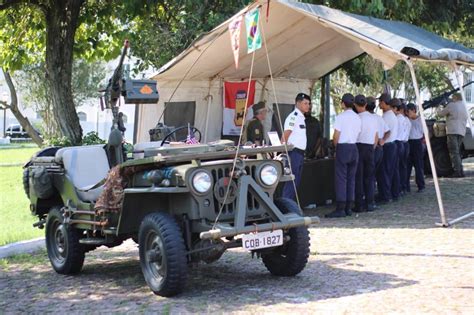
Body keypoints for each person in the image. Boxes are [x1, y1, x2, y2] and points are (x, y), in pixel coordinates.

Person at [326, 93, 361, 218]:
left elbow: (336, 136)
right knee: (351, 178)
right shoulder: (357, 117)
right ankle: (349, 207)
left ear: (343, 103)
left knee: (341, 178)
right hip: (354, 147)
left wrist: (336, 146)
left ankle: (340, 207)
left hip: (343, 147)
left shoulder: (341, 117)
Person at [281, 93, 311, 200]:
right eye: (305, 103)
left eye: (309, 103)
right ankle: (286, 206)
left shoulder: (301, 117)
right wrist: (282, 151)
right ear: (298, 103)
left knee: (296, 181)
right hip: (293, 152)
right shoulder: (293, 117)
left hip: (300, 153)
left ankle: (290, 206)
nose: (308, 106)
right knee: (291, 181)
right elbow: (286, 134)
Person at [353, 94, 379, 212]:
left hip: (359, 146)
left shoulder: (357, 118)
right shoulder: (373, 118)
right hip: (370, 147)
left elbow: (355, 134)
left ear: (355, 104)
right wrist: (373, 147)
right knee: (369, 176)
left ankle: (359, 204)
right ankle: (370, 202)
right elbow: (376, 135)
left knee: (359, 177)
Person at [437, 93, 468, 177]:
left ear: (455, 98)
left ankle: (457, 171)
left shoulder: (452, 105)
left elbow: (440, 114)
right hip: (461, 132)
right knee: (457, 152)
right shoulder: (464, 107)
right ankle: (460, 170)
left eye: (452, 97)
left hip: (452, 131)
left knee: (454, 152)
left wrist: (439, 106)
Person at [367, 97, 389, 205]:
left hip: (371, 148)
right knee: (380, 173)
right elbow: (388, 131)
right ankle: (383, 195)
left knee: (370, 174)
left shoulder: (365, 118)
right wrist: (383, 140)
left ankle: (370, 199)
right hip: (380, 148)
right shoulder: (379, 118)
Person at [377, 93, 398, 203]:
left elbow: (385, 132)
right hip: (392, 145)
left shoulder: (387, 117)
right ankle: (389, 193)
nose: (379, 105)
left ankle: (385, 196)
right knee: (390, 171)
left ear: (384, 103)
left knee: (384, 171)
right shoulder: (391, 115)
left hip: (387, 145)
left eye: (380, 103)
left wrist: (382, 140)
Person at [406, 103, 425, 192]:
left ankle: (420, 185)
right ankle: (406, 185)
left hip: (417, 142)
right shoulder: (406, 120)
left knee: (418, 165)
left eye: (408, 111)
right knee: (407, 165)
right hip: (409, 142)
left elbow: (425, 132)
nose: (407, 113)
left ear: (413, 110)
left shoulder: (420, 120)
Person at [395, 101, 411, 196]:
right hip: (406, 143)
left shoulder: (397, 119)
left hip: (398, 142)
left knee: (397, 167)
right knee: (404, 166)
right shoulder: (407, 120)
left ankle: (398, 188)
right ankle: (404, 186)